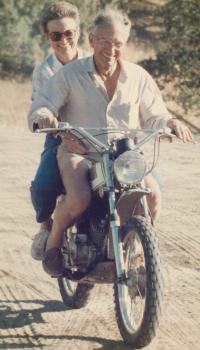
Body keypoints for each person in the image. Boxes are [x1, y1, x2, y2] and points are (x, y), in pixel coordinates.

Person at [28, 9, 193, 276]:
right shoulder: (70, 74)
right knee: (79, 198)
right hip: (80, 150)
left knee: (153, 195)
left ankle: (139, 252)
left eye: (117, 43)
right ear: (91, 41)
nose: (111, 49)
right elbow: (43, 105)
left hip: (124, 154)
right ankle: (53, 242)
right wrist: (44, 117)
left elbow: (156, 114)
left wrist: (170, 123)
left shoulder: (138, 77)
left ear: (125, 43)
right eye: (105, 41)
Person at [30, 1, 90, 261]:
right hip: (59, 137)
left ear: (77, 32)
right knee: (43, 187)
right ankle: (46, 228)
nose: (64, 40)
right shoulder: (44, 71)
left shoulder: (94, 60)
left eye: (69, 33)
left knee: (139, 177)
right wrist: (45, 119)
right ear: (47, 36)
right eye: (56, 35)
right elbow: (40, 106)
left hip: (96, 134)